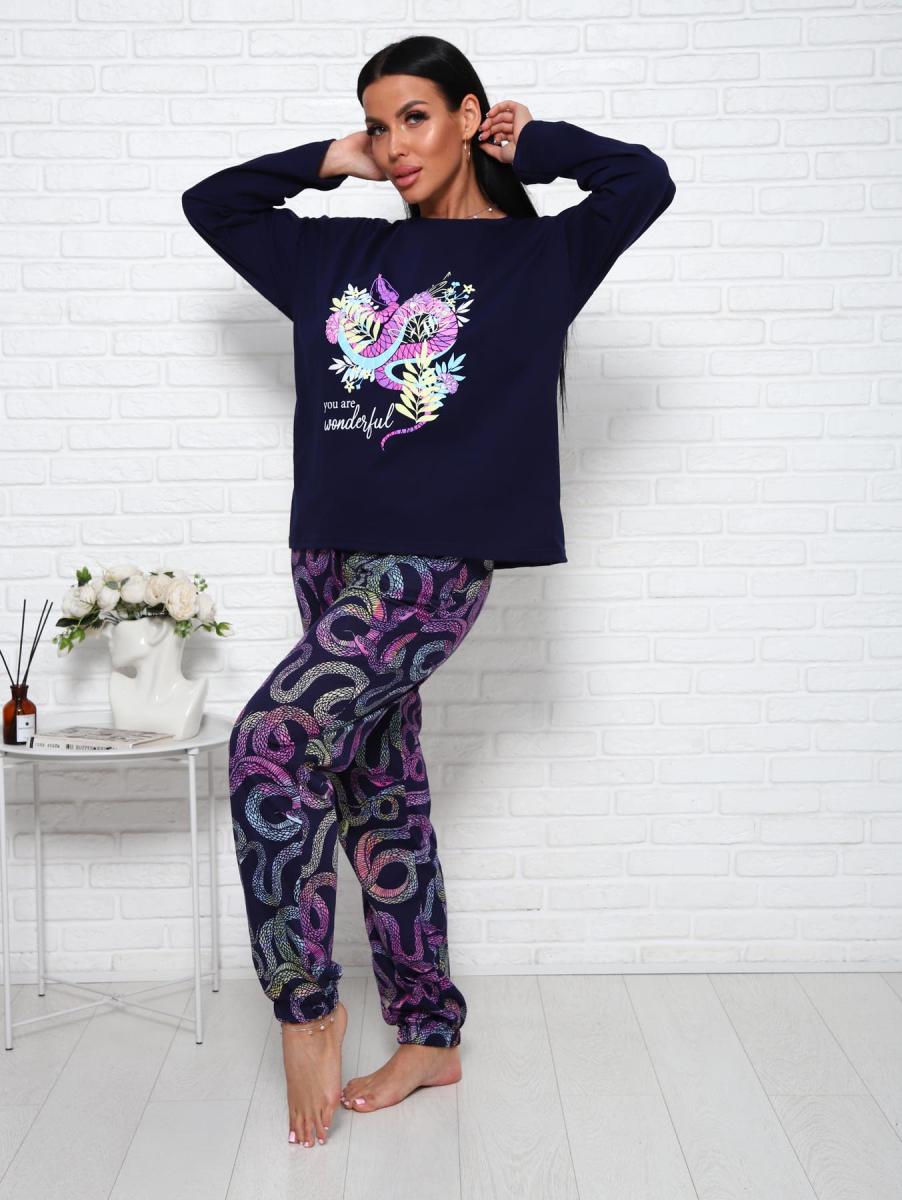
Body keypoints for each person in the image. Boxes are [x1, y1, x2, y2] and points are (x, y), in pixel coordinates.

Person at [180, 34, 676, 1152]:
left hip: (434, 563)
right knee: (381, 798)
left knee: (271, 741)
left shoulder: (541, 256)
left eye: (414, 116)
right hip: (327, 553)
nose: (395, 143)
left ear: (465, 115)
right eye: (378, 122)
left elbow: (641, 180)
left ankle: (307, 1007)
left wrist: (532, 144)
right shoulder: (337, 253)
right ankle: (431, 1035)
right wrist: (330, 159)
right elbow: (213, 204)